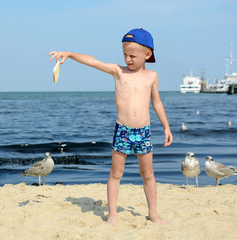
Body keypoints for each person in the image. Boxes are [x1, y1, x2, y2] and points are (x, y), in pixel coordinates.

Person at [49, 28, 173, 226]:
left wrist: (166, 127)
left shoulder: (152, 77)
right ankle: (112, 214)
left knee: (148, 174)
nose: (128, 59)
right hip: (123, 130)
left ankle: (153, 213)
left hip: (144, 132)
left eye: (132, 55)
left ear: (147, 54)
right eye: (125, 54)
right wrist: (70, 55)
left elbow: (157, 102)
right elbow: (93, 61)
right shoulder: (118, 72)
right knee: (116, 173)